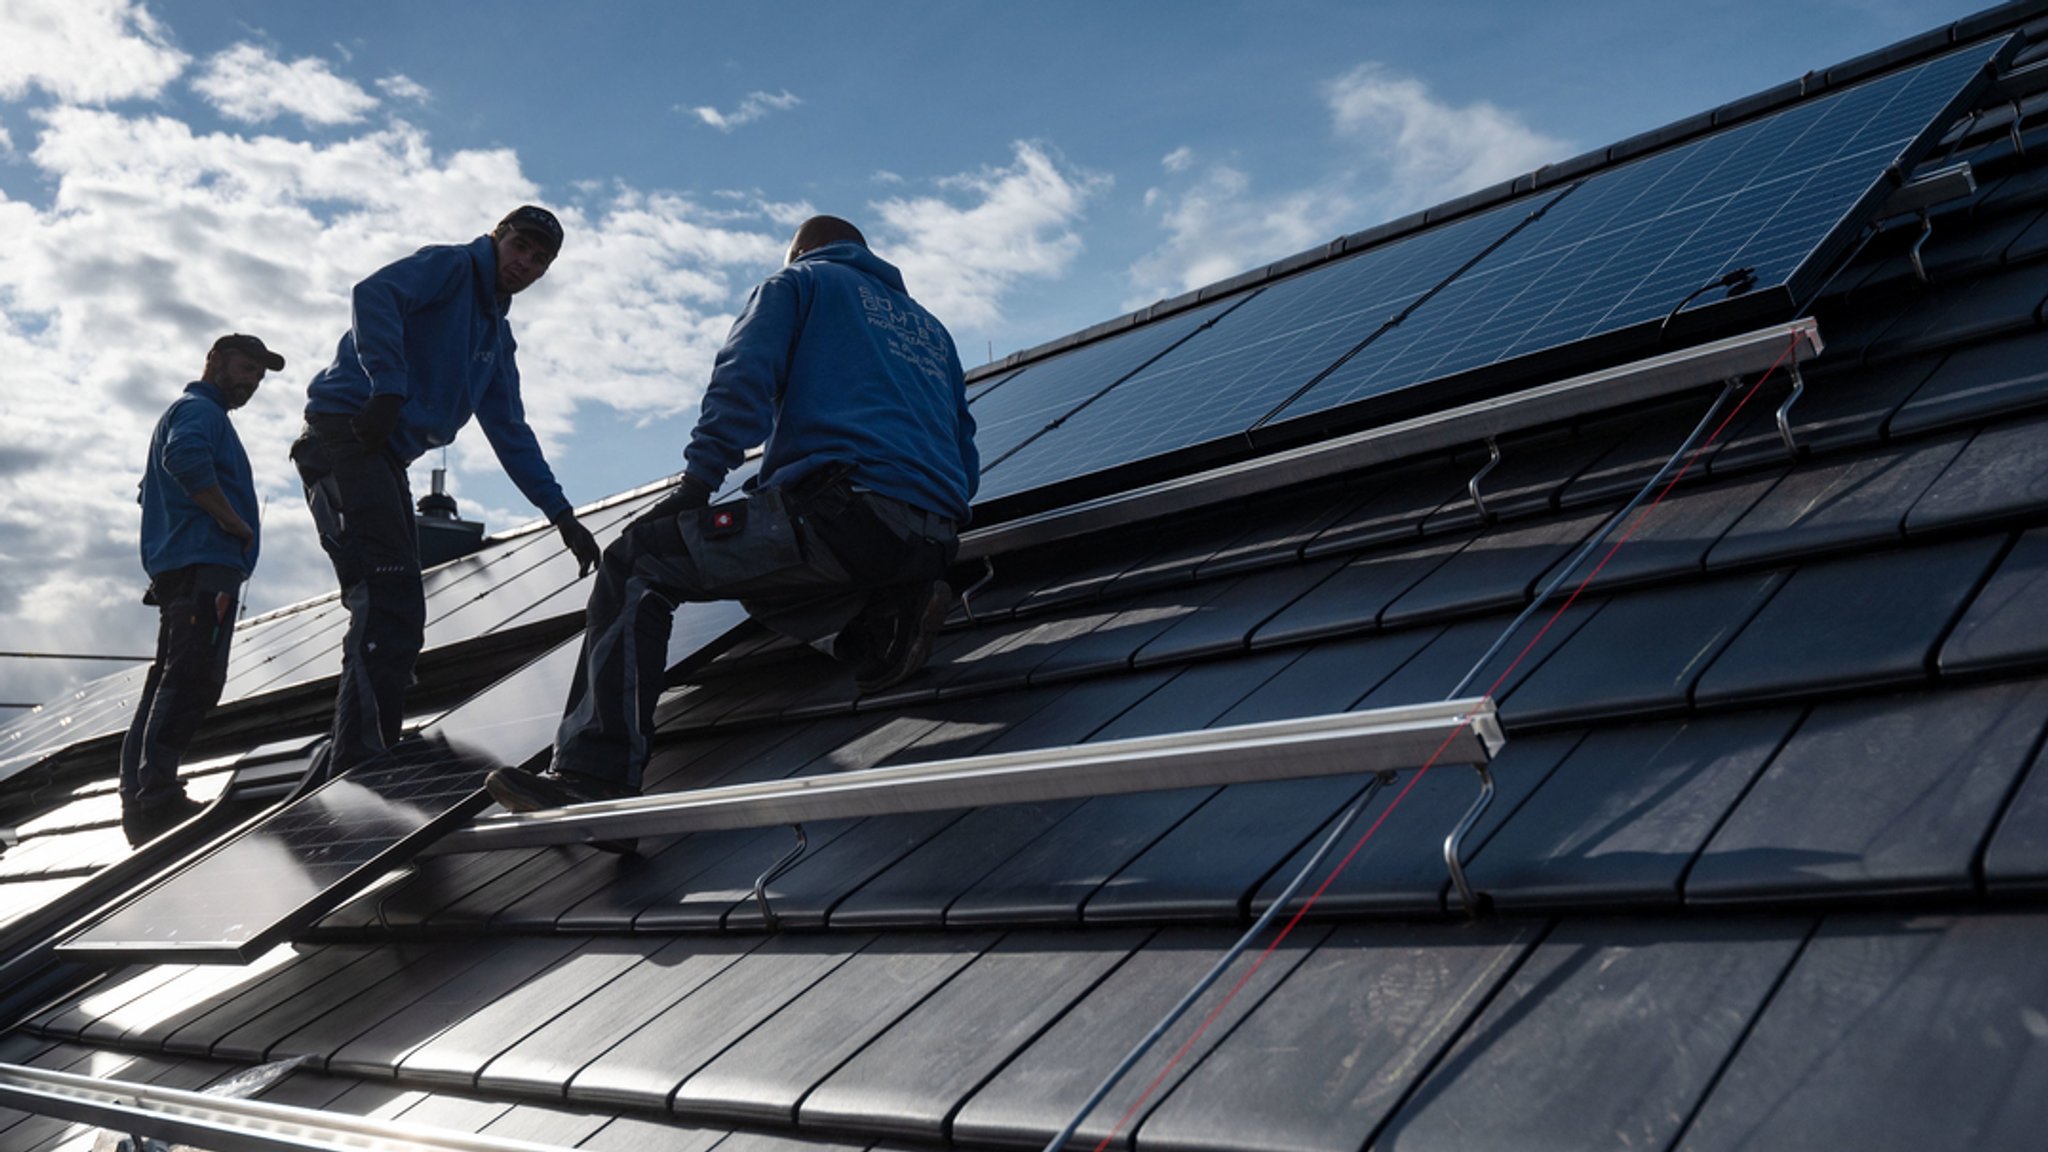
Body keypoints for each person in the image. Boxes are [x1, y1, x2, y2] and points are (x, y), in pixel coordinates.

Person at [486, 214, 977, 817]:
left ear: (801, 253)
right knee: (762, 570)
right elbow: (965, 447)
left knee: (636, 561)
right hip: (934, 538)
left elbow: (742, 377)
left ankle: (596, 777)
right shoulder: (933, 332)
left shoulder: (797, 284)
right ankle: (883, 627)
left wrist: (697, 485)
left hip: (845, 517)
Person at [292, 205, 602, 779]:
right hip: (347, 432)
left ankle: (347, 754)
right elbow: (373, 294)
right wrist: (387, 385)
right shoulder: (452, 267)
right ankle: (360, 760)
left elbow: (510, 430)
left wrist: (562, 514)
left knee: (401, 605)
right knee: (385, 596)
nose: (525, 264)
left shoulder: (493, 336)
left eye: (540, 260)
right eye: (520, 247)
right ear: (497, 237)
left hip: (384, 456)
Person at [122, 333, 282, 846]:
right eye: (244, 367)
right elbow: (185, 461)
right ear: (214, 360)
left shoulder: (189, 413)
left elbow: (157, 484)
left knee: (168, 680)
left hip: (183, 569)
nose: (251, 381)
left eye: (258, 375)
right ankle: (157, 797)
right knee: (192, 678)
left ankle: (140, 793)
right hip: (203, 566)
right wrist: (233, 523)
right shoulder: (200, 412)